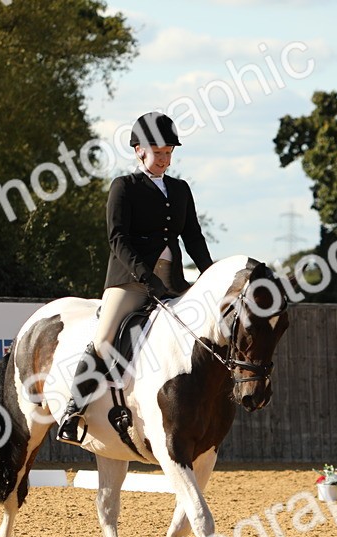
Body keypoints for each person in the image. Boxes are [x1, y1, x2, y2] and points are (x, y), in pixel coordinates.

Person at [57, 111, 215, 444]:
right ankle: (74, 409)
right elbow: (118, 239)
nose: (164, 159)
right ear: (138, 150)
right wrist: (145, 277)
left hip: (171, 280)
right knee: (103, 340)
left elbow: (194, 237)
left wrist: (209, 274)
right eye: (158, 153)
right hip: (129, 280)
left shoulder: (180, 189)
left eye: (169, 153)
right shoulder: (124, 187)